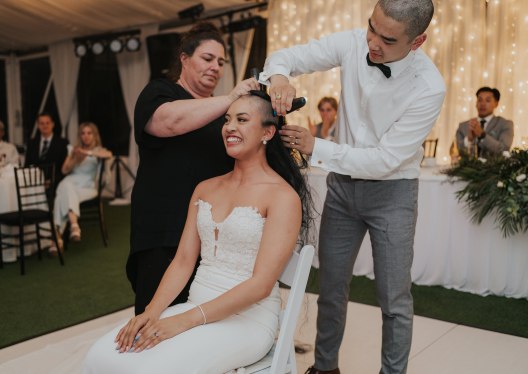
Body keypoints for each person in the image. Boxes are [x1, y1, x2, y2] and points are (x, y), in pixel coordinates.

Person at [260, 0, 446, 373]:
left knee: (393, 300)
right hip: (343, 189)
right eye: (371, 28)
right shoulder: (353, 43)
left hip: (392, 193)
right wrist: (278, 76)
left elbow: (385, 159)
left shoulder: (429, 87)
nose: (373, 42)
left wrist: (317, 147)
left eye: (388, 39)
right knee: (330, 288)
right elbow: (287, 55)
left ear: (418, 40)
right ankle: (325, 367)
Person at [83, 92, 312, 373]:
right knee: (99, 357)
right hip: (193, 306)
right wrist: (151, 312)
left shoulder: (282, 197)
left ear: (268, 131)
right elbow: (182, 262)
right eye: (227, 120)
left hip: (248, 321)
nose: (229, 127)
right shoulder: (205, 188)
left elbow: (261, 285)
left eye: (242, 119)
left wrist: (184, 321)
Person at [127, 22, 260, 315]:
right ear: (184, 59)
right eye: (207, 58)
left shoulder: (224, 114)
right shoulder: (160, 92)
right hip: (164, 232)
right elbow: (167, 122)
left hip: (209, 237)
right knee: (158, 318)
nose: (216, 67)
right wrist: (231, 99)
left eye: (221, 62)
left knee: (198, 319)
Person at [53, 122, 112, 245]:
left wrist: (88, 153)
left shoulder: (98, 150)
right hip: (71, 183)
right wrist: (75, 158)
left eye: (89, 133)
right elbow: (64, 170)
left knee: (61, 197)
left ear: (94, 135)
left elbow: (108, 155)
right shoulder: (73, 149)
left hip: (88, 188)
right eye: (83, 133)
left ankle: (56, 240)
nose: (86, 136)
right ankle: (74, 226)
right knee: (67, 187)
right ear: (80, 135)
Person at [455, 86, 514, 158]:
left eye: (487, 100)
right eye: (480, 100)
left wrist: (482, 135)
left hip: (494, 169)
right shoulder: (464, 126)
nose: (482, 104)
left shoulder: (505, 124)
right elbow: (456, 152)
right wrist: (469, 139)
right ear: (476, 103)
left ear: (496, 104)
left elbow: (504, 150)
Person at [24, 112, 69, 190]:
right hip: (34, 184)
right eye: (42, 123)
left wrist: (52, 181)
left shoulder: (62, 143)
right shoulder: (31, 143)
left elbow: (64, 168)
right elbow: (27, 165)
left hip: (55, 186)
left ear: (53, 124)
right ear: (38, 125)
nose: (45, 126)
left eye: (47, 123)